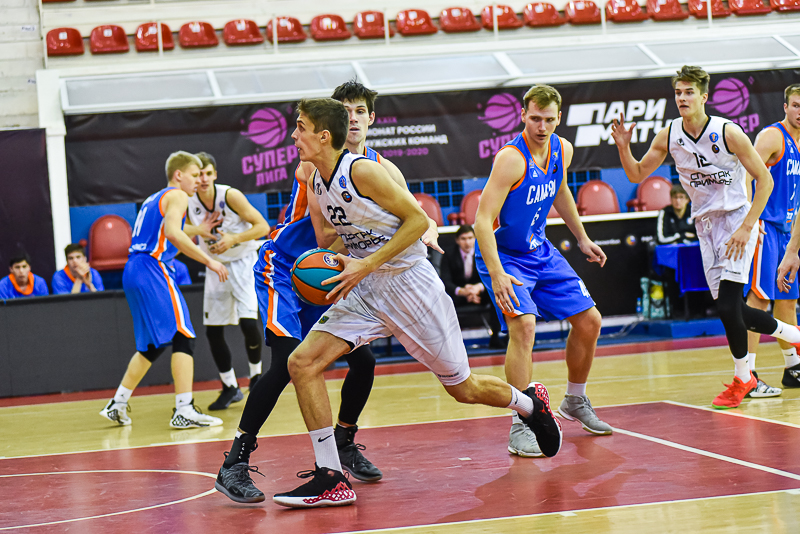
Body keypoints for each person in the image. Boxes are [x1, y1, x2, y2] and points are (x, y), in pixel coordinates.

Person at [267, 97, 561, 509]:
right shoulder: (316, 179)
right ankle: (330, 476)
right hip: (367, 289)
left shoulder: (363, 171)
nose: (293, 135)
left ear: (323, 135)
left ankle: (530, 404)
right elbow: (348, 236)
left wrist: (366, 263)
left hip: (412, 287)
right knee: (301, 363)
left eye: (300, 127)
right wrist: (331, 263)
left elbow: (418, 220)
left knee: (464, 389)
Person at [214, 81, 442, 505]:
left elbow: (412, 214)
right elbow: (326, 236)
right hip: (288, 267)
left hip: (332, 273)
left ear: (371, 118)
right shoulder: (315, 165)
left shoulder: (380, 168)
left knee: (364, 362)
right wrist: (383, 235)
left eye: (360, 110)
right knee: (287, 362)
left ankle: (343, 442)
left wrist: (424, 227)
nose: (352, 117)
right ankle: (235, 462)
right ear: (330, 125)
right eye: (345, 110)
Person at [611, 65, 800, 409]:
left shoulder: (729, 132)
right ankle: (794, 337)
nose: (682, 98)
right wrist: (624, 146)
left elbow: (765, 181)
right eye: (678, 93)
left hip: (737, 222)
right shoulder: (669, 134)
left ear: (704, 96)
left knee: (728, 305)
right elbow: (636, 173)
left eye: (689, 93)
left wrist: (747, 226)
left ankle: (744, 378)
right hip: (706, 226)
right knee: (734, 310)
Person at [473, 84, 612, 461]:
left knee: (590, 321)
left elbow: (561, 191)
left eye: (549, 119)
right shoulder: (510, 159)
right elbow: (482, 221)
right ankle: (521, 422)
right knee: (524, 325)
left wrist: (582, 237)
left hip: (539, 249)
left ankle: (575, 400)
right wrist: (498, 274)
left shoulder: (562, 149)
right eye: (535, 118)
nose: (542, 126)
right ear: (523, 115)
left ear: (559, 118)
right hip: (505, 256)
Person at [99, 151, 229, 428]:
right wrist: (209, 260)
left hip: (133, 269)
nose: (198, 181)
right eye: (194, 175)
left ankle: (118, 403)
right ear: (178, 175)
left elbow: (165, 229)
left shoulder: (154, 198)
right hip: (152, 268)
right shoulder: (179, 195)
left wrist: (198, 230)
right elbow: (172, 232)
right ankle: (184, 410)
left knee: (152, 345)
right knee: (184, 335)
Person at [185, 151, 270, 410]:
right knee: (213, 330)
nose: (203, 179)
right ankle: (230, 386)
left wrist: (233, 238)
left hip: (243, 262)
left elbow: (263, 227)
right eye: (198, 174)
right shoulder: (188, 199)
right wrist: (198, 230)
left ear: (215, 175)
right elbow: (175, 229)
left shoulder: (230, 195)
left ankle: (256, 377)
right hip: (216, 266)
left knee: (248, 323)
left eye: (207, 174)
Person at [745, 83, 800, 393]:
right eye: (796, 105)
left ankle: (793, 367)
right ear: (785, 107)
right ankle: (747, 374)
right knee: (759, 298)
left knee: (788, 299)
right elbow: (745, 171)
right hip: (765, 227)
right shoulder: (772, 136)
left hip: (788, 232)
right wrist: (749, 217)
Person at [440, 224, 504, 347]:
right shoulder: (448, 254)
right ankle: (448, 343)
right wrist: (463, 291)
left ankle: (496, 337)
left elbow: (491, 277)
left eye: (470, 238)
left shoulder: (484, 253)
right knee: (443, 300)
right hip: (458, 294)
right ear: (457, 240)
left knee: (496, 295)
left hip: (480, 293)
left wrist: (477, 289)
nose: (467, 242)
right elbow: (445, 281)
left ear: (475, 239)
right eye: (463, 239)